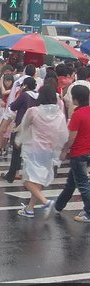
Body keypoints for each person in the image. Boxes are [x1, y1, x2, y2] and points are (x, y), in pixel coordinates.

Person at [15, 85, 68, 218]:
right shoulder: (60, 115)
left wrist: (18, 140)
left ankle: (45, 202)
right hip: (49, 150)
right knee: (37, 180)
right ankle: (30, 208)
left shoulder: (33, 111)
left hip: (33, 149)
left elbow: (24, 126)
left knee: (27, 179)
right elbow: (63, 134)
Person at [55, 85, 90, 222]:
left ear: (76, 98)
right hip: (88, 152)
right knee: (72, 182)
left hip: (79, 153)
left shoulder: (77, 114)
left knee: (82, 184)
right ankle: (58, 205)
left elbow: (71, 137)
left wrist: (64, 150)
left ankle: (89, 212)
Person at [1, 77, 38, 183]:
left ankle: (11, 175)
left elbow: (13, 107)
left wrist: (20, 93)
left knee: (16, 152)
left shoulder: (24, 95)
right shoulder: (38, 96)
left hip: (21, 126)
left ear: (25, 85)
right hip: (33, 127)